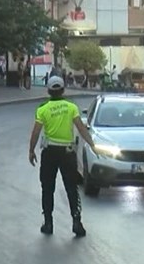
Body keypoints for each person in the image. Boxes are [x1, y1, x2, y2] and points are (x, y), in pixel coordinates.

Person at [28, 76, 96, 237]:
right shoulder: (71, 107)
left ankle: (48, 223)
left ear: (49, 91)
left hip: (50, 152)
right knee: (71, 188)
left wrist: (31, 151)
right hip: (67, 153)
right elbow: (80, 127)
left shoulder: (42, 109)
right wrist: (92, 144)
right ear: (63, 90)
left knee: (47, 188)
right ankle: (77, 221)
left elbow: (36, 132)